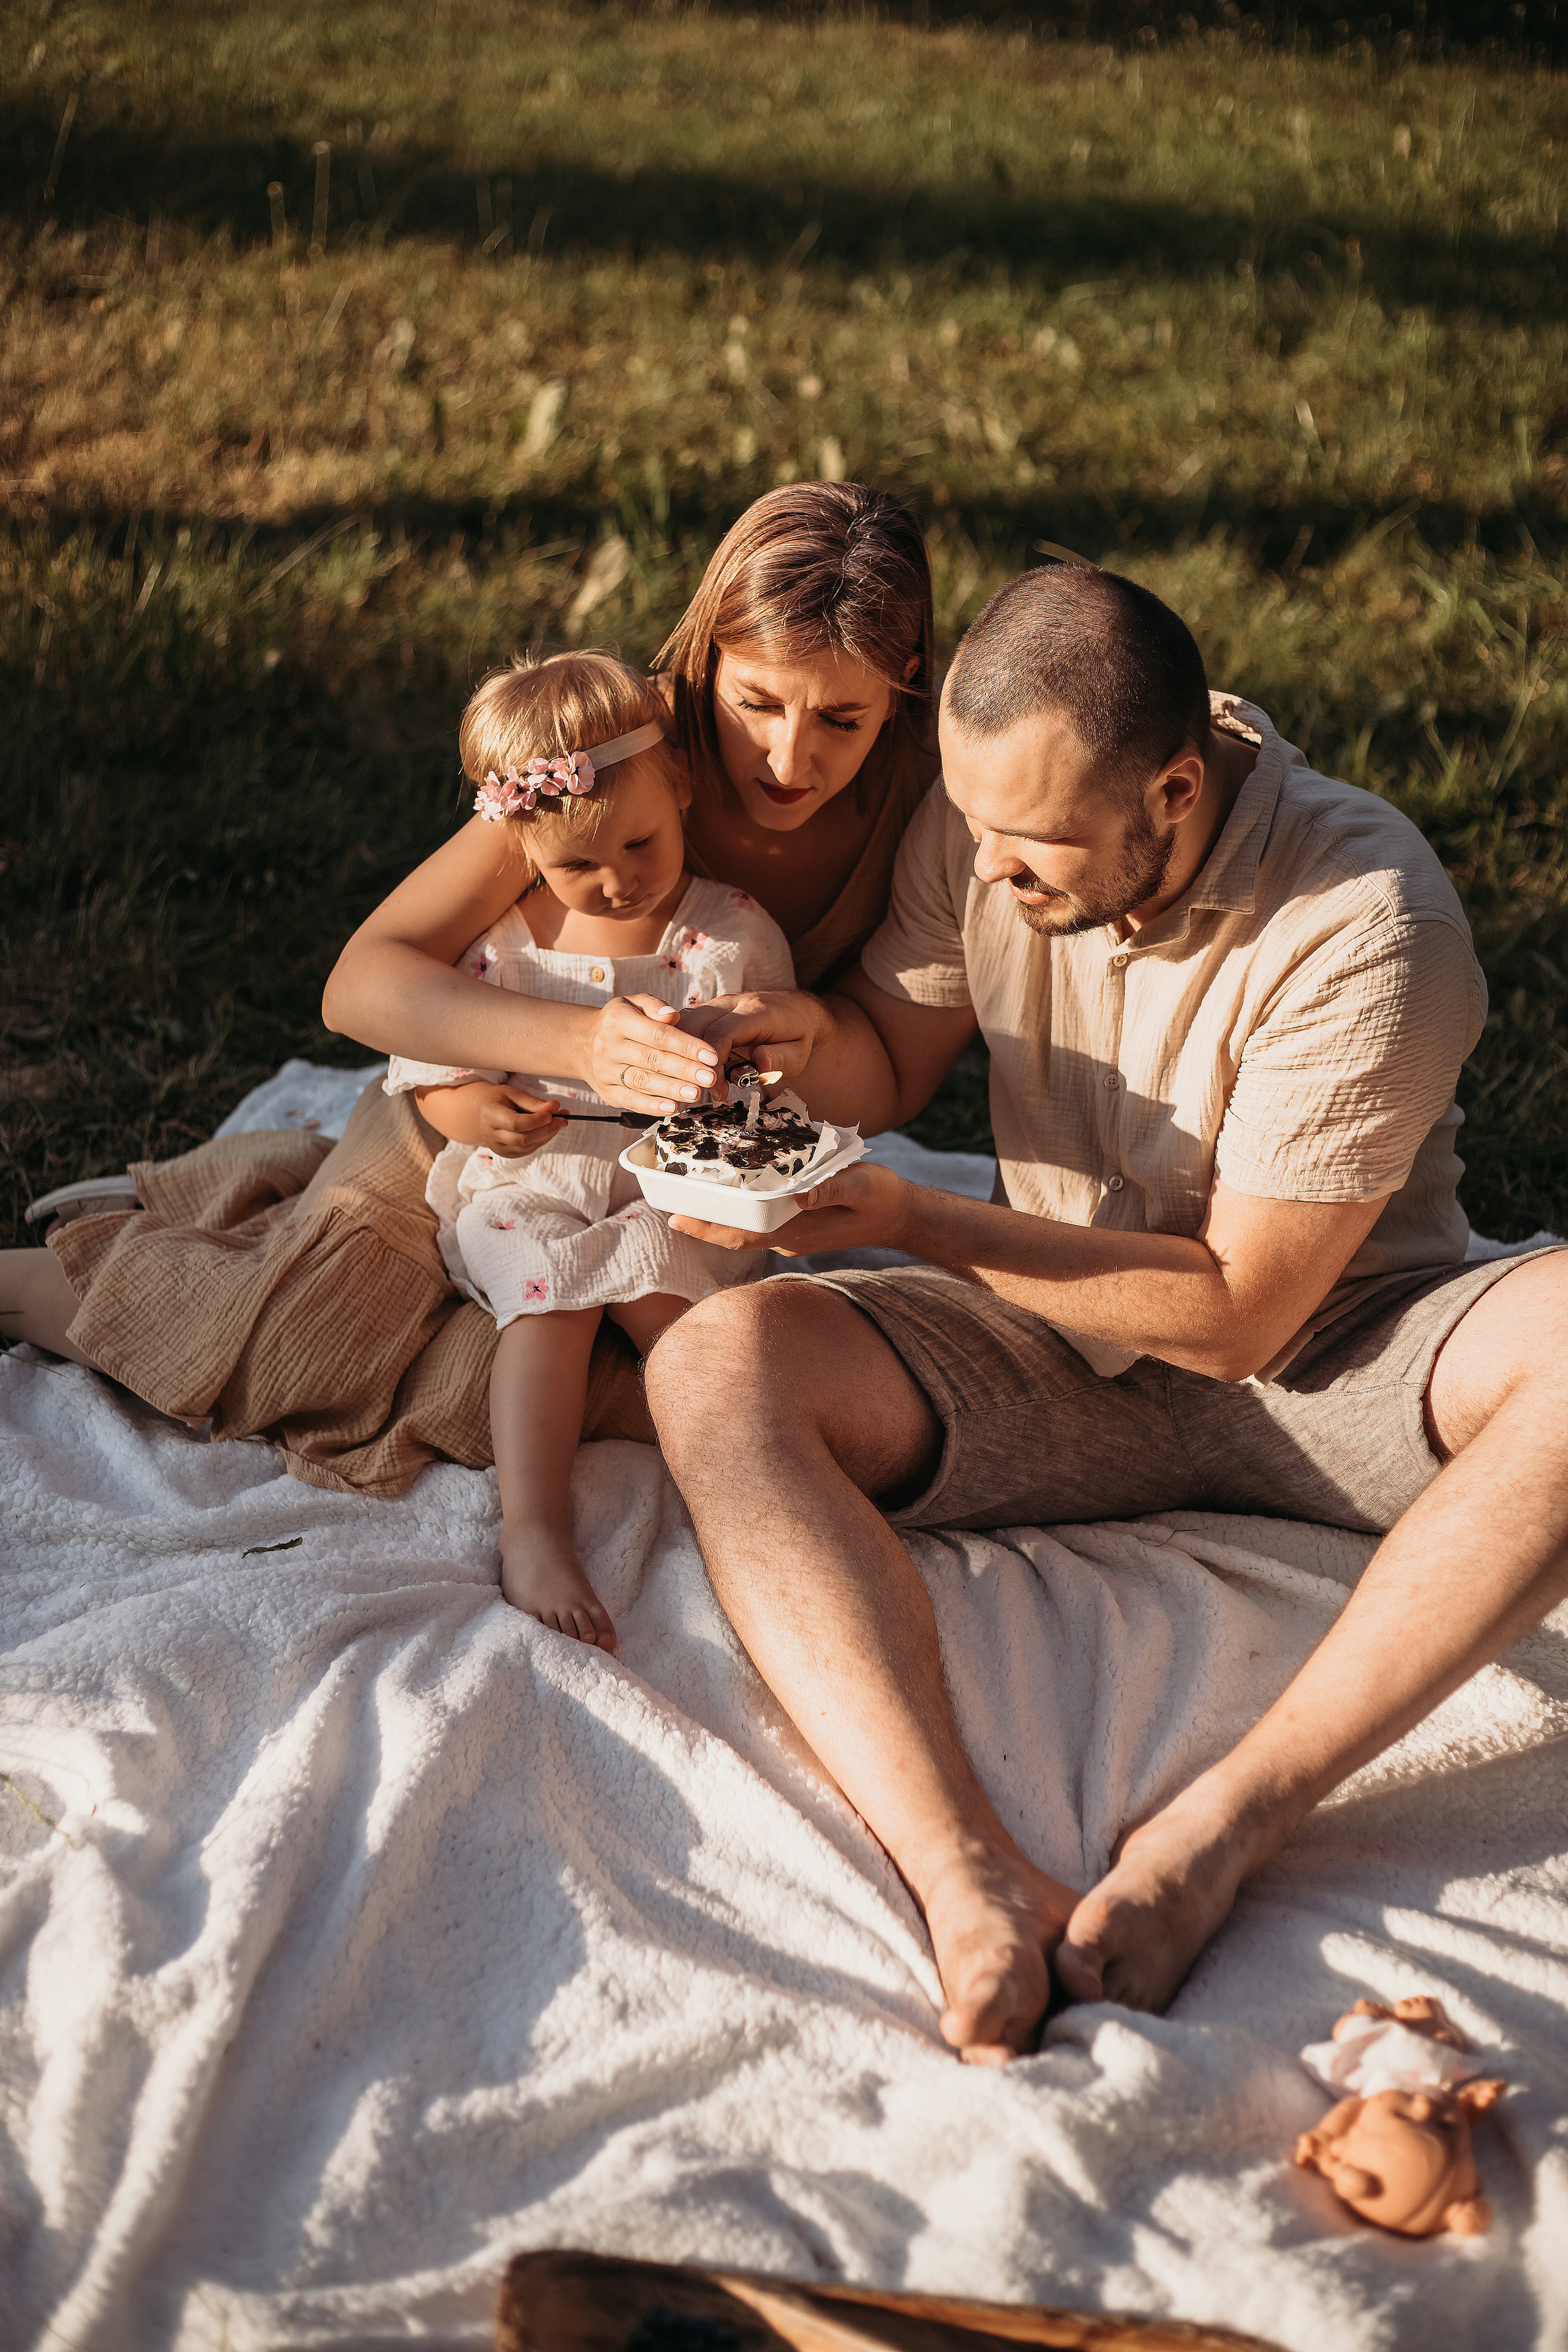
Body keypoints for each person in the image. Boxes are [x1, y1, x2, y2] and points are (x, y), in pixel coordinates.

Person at [641, 560, 1568, 2061]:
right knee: (715, 1364)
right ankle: (965, 1875)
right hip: (1058, 1330)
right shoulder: (986, 814)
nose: (987, 868)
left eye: (1035, 846)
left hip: (1342, 1349)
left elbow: (1242, 1321)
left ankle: (1223, 1828)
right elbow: (889, 1050)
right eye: (973, 829)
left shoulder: (1368, 917)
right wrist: (792, 1052)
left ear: (1176, 789)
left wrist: (917, 1220)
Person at [2, 482, 936, 1494]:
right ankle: (50, 1284)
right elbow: (365, 981)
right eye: (754, 703)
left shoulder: (933, 807)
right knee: (307, 1339)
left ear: (905, 686)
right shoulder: (606, 751)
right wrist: (571, 1050)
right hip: (482, 1101)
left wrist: (798, 1024)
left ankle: (259, 1210)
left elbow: (891, 1077)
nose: (790, 757)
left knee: (612, 1385)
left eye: (843, 717)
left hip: (673, 1160)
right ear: (701, 663)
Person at [384, 650, 791, 1646]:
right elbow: (428, 1067)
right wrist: (479, 1114)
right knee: (551, 1300)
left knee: (688, 1319)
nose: (617, 883)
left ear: (681, 789)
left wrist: (728, 1085)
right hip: (539, 1178)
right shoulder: (502, 947)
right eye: (577, 866)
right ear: (520, 844)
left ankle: (747, 1486)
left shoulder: (727, 934)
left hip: (666, 1182)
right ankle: (536, 1527)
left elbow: (770, 1067)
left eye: (641, 845)